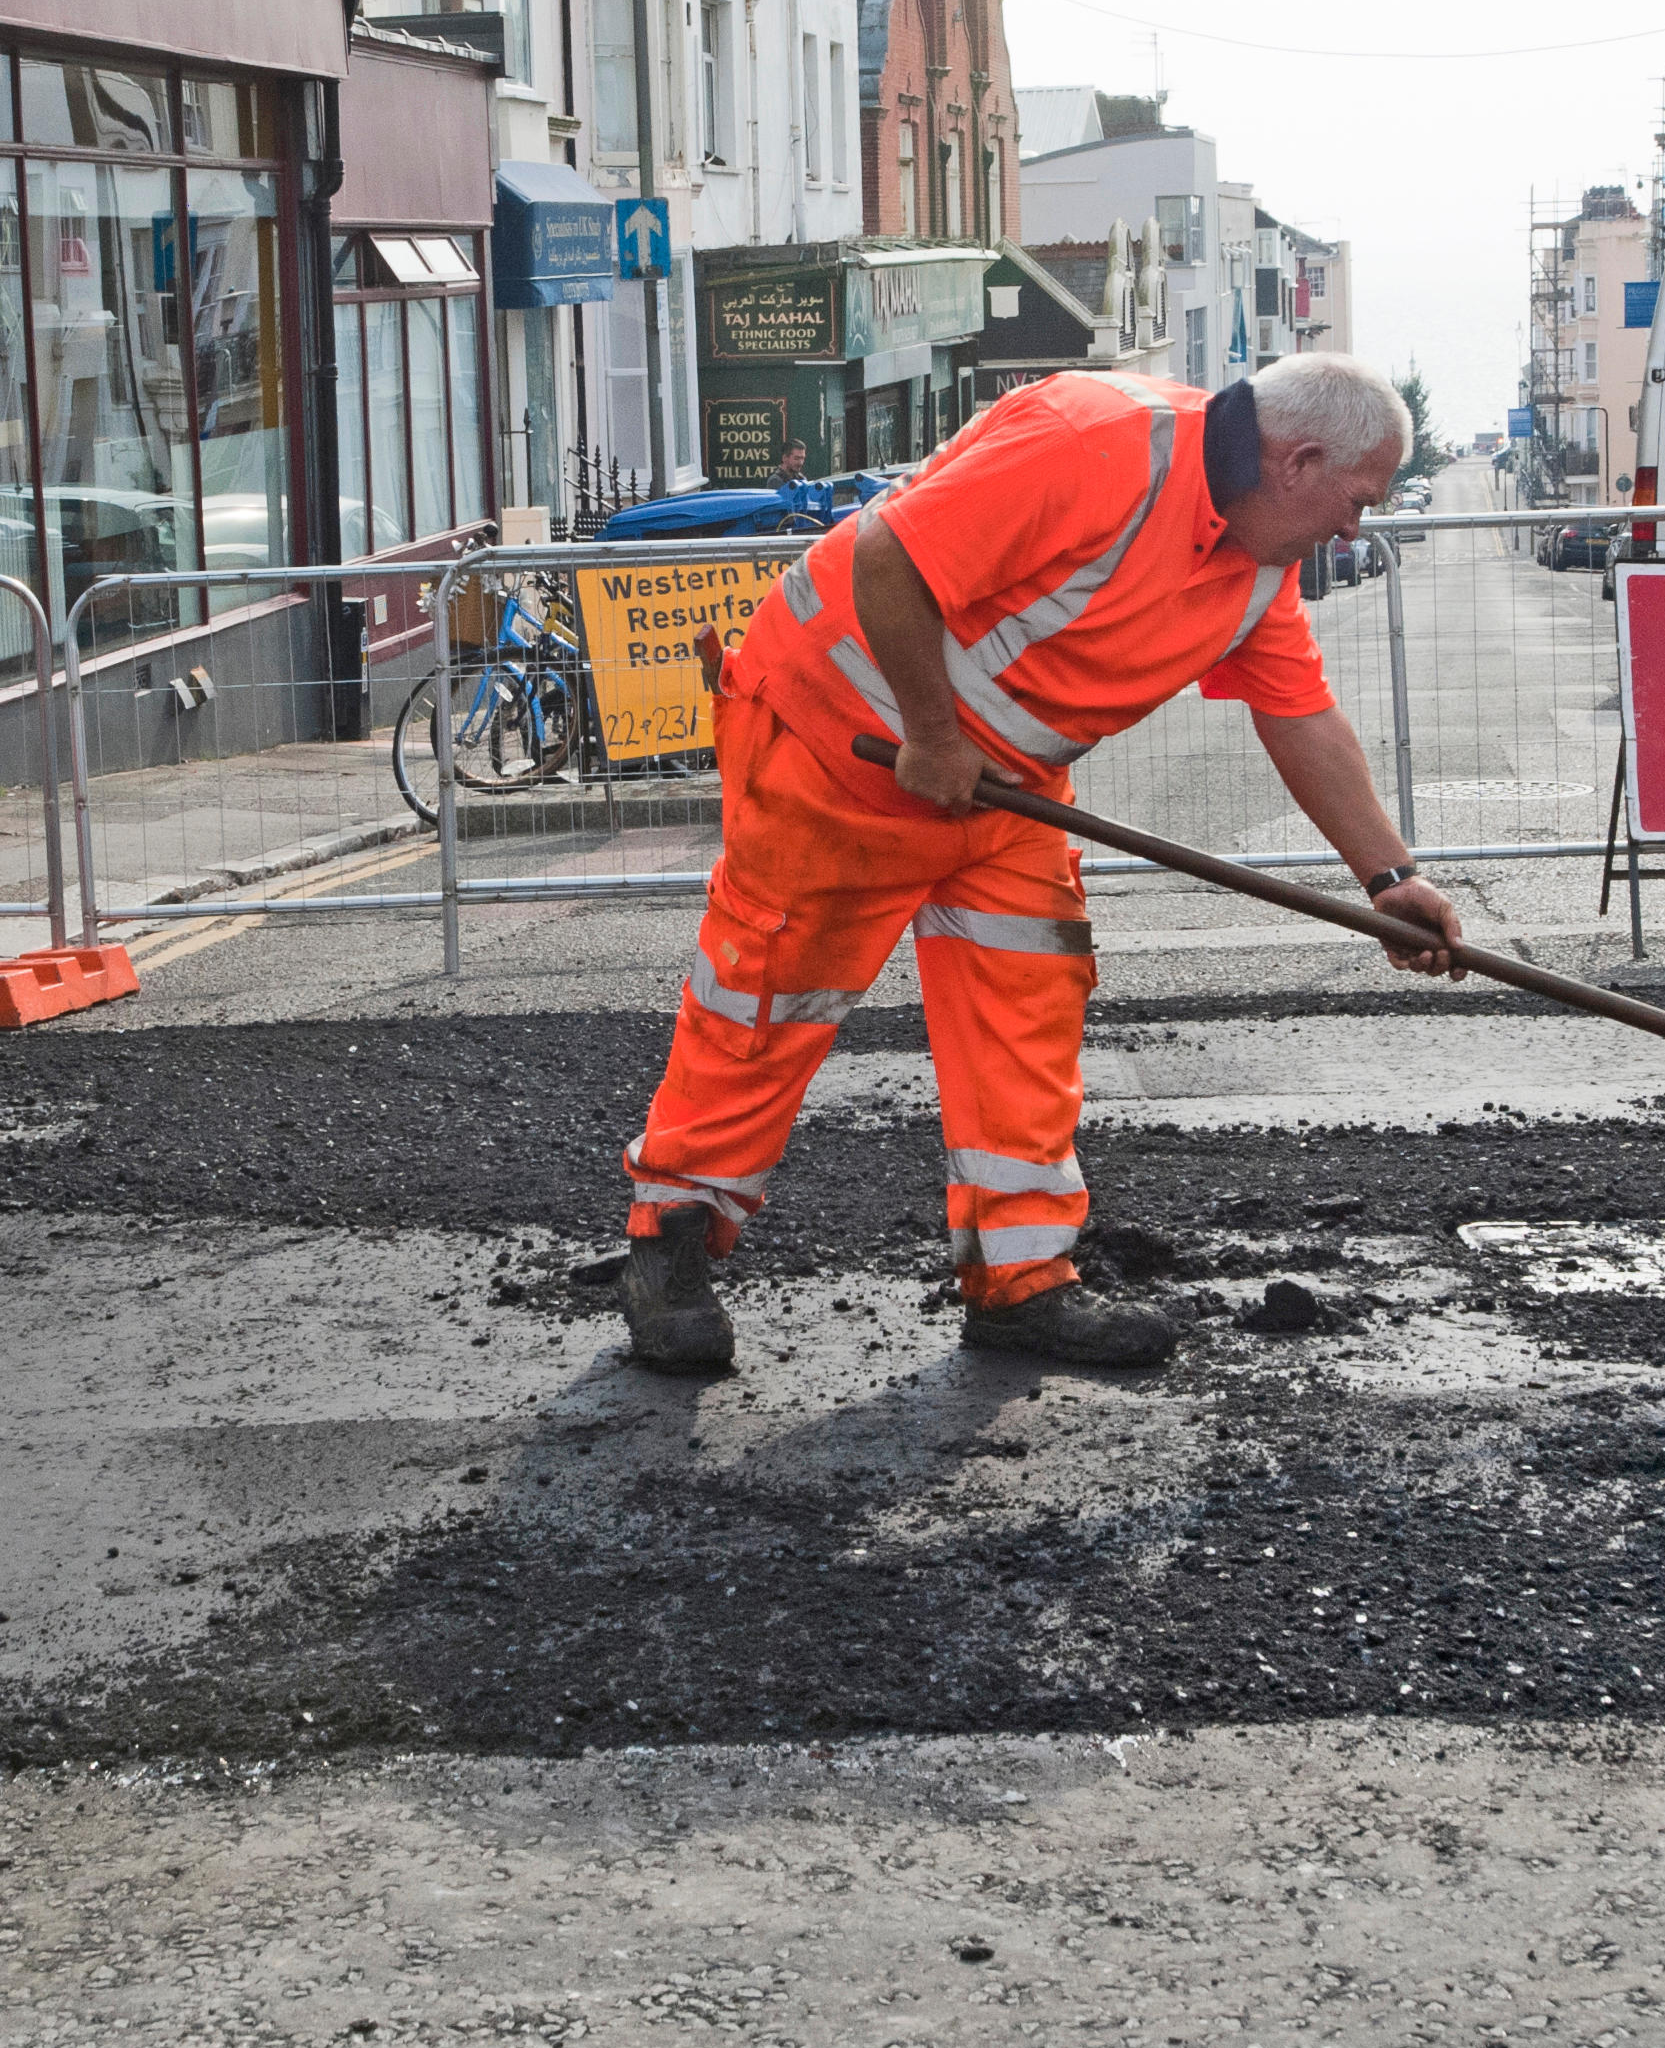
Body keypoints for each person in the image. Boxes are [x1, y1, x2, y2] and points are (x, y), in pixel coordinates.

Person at [613, 352, 1465, 1376]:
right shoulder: (1091, 439)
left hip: (999, 791)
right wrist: (930, 733)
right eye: (1354, 500)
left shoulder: (1256, 571)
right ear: (1298, 460)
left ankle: (1019, 1284)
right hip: (838, 742)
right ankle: (668, 1246)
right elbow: (887, 556)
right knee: (768, 999)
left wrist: (1385, 880)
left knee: (1026, 1006)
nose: (1353, 529)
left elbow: (1302, 718)